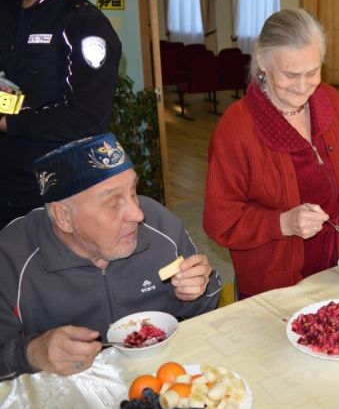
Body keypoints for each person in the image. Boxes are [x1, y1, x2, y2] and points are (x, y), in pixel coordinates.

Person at [0, 133, 221, 381]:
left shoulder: (160, 224)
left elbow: (209, 301)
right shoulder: (11, 257)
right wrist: (31, 353)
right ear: (63, 217)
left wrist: (196, 291)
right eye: (113, 203)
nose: (137, 214)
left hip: (156, 379)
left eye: (133, 191)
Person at [204, 9, 339, 298]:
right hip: (276, 286)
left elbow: (336, 175)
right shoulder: (237, 129)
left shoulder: (329, 101)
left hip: (338, 271)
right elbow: (219, 221)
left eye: (312, 72)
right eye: (290, 74)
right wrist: (282, 223)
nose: (302, 86)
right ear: (263, 61)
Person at [0, 0, 122, 229]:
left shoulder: (82, 22)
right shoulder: (3, 7)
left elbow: (89, 117)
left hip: (50, 193)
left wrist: (9, 123)